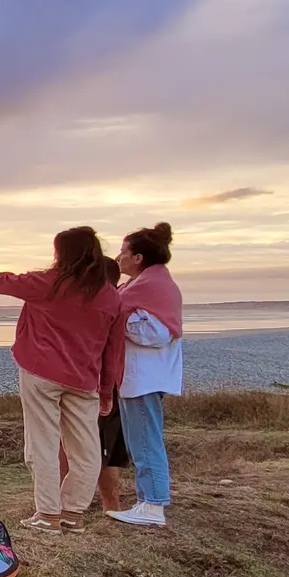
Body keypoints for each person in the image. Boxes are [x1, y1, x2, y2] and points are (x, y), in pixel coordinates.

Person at [0, 227, 126, 533]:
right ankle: (73, 513)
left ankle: (48, 515)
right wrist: (107, 390)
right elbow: (114, 350)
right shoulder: (110, 296)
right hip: (84, 379)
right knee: (86, 449)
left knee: (43, 443)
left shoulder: (50, 283)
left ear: (62, 253)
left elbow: (9, 281)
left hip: (41, 372)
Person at [108, 223, 183, 528]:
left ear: (138, 257)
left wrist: (122, 321)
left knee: (144, 441)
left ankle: (152, 505)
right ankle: (148, 501)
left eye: (123, 252)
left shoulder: (148, 286)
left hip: (144, 378)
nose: (118, 257)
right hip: (145, 376)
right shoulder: (150, 283)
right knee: (142, 439)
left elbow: (157, 333)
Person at [60, 258, 132, 512]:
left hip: (87, 385)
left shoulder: (91, 306)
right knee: (104, 448)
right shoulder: (116, 305)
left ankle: (62, 505)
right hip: (104, 385)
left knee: (72, 444)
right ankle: (109, 505)